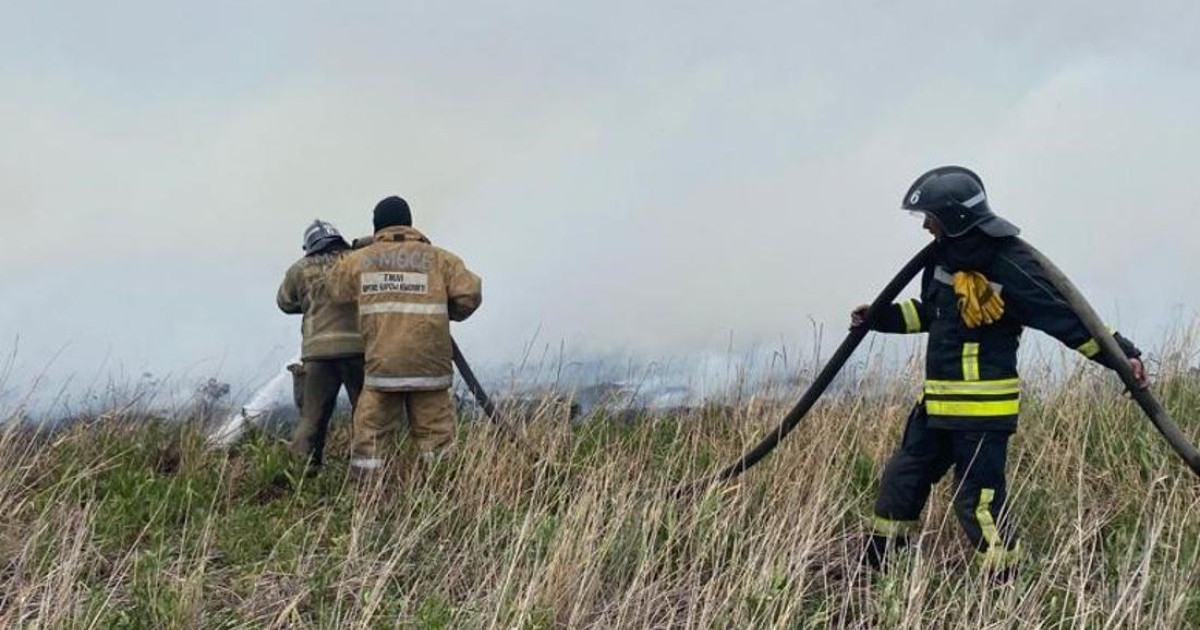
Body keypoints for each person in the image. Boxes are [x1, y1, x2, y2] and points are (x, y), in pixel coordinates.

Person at [850, 166, 1148, 577]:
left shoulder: (1012, 264)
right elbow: (930, 314)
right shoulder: (940, 260)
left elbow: (1068, 318)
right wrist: (879, 318)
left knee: (978, 502)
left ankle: (1007, 582)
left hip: (981, 415)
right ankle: (877, 565)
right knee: (903, 478)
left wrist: (1122, 356)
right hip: (936, 406)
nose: (925, 228)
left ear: (953, 219)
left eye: (930, 218)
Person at [328, 196, 482, 474]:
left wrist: (359, 251)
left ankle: (368, 497)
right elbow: (469, 294)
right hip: (430, 370)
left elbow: (335, 289)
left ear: (377, 227)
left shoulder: (359, 260)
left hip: (382, 370)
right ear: (409, 223)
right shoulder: (441, 259)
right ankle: (442, 493)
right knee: (437, 440)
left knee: (370, 438)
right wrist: (445, 314)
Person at [276, 220, 365, 470]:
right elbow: (379, 245)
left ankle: (303, 473)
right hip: (359, 349)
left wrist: (309, 303)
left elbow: (284, 303)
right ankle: (367, 470)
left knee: (311, 418)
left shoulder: (299, 269)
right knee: (366, 414)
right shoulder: (358, 259)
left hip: (317, 355)